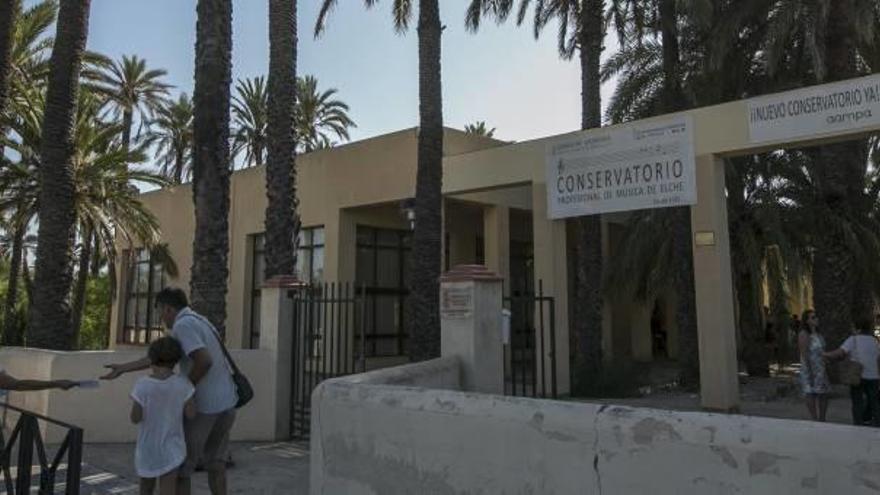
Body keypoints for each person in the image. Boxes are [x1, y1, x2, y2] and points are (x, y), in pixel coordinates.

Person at [103, 287, 238, 495]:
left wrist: (184, 388)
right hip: (227, 403)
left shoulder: (183, 325)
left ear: (168, 308)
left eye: (159, 311)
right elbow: (160, 356)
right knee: (216, 463)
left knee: (183, 469)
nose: (161, 318)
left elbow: (204, 361)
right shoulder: (200, 320)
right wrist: (123, 368)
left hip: (206, 407)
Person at [131, 337, 196, 495]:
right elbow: (191, 414)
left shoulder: (142, 385)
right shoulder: (183, 384)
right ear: (175, 360)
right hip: (172, 447)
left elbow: (135, 418)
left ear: (152, 359)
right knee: (168, 490)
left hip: (147, 449)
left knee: (145, 488)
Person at [824, 318, 880, 427]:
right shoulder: (874, 341)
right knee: (874, 402)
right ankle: (877, 422)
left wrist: (825, 354)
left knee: (857, 401)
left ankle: (859, 424)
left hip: (857, 376)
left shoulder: (853, 339)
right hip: (874, 376)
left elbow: (840, 353)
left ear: (857, 328)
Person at [798, 310, 830, 421]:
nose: (816, 319)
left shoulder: (818, 334)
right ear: (807, 321)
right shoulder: (804, 334)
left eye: (816, 317)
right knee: (810, 393)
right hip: (810, 369)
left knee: (824, 394)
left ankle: (822, 418)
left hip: (821, 369)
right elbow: (804, 353)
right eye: (813, 317)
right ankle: (814, 418)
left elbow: (822, 351)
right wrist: (809, 372)